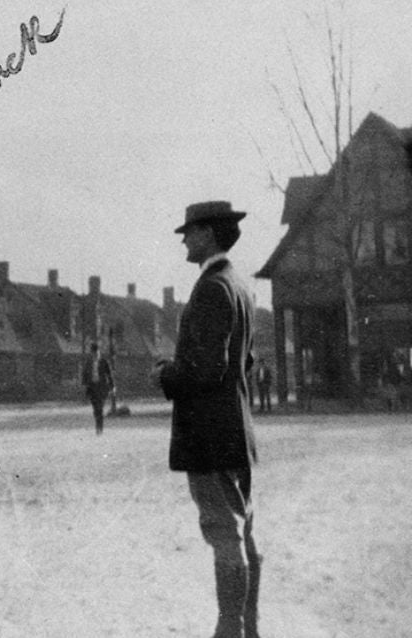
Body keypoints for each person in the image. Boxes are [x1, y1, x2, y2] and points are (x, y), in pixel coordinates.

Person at [150, 201, 262, 638]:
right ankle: (246, 628)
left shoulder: (212, 288)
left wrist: (166, 374)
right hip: (235, 431)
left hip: (210, 435)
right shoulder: (240, 286)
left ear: (210, 234)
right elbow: (243, 360)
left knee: (223, 531)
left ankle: (229, 629)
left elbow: (207, 370)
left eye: (191, 230)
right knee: (241, 528)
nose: (184, 238)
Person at [81, 342, 115, 435]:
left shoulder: (104, 361)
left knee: (100, 408)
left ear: (98, 352)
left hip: (101, 388)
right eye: (93, 352)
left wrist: (112, 387)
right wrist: (84, 385)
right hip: (92, 388)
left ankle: (99, 428)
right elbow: (84, 374)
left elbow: (109, 374)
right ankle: (98, 425)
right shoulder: (88, 362)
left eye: (96, 352)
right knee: (96, 409)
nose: (95, 354)